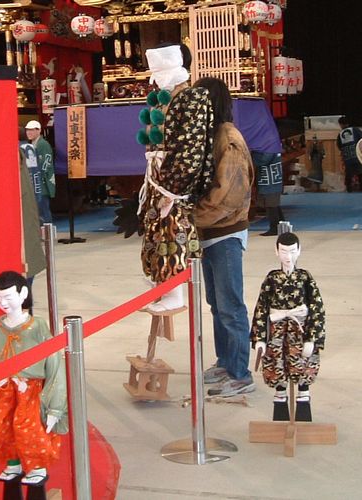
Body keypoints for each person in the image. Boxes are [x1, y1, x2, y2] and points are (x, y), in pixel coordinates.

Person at [116, 43, 215, 312]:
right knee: (155, 229)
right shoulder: (163, 100)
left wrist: (174, 189)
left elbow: (191, 148)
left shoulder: (192, 98)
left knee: (174, 231)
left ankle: (174, 291)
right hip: (157, 176)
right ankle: (160, 282)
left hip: (176, 182)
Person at [192, 77, 255, 397]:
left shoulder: (229, 139)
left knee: (231, 306)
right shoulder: (212, 135)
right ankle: (225, 361)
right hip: (210, 233)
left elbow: (229, 196)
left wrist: (192, 217)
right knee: (217, 305)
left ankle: (240, 373)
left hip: (226, 234)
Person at [0, 271, 67, 485]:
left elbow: (54, 363)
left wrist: (55, 407)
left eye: (8, 297)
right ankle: (13, 464)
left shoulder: (37, 328)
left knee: (29, 427)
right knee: (2, 427)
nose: (3, 303)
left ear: (23, 294)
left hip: (30, 389)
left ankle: (37, 467)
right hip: (3, 388)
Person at [250, 232, 325, 421]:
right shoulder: (272, 278)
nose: (288, 256)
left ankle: (304, 396)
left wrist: (312, 338)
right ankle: (280, 398)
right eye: (283, 251)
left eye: (292, 251)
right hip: (276, 330)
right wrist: (260, 339)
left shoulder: (305, 277)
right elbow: (262, 308)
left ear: (299, 251)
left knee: (303, 361)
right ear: (276, 251)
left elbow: (316, 308)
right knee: (276, 362)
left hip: (300, 329)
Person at [18, 147, 46, 307]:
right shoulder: (20, 154)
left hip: (24, 243)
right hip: (27, 238)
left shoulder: (15, 155)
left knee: (22, 296)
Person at [25, 120, 56, 223]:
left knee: (43, 209)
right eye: (27, 130)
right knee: (39, 210)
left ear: (39, 131)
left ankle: (48, 230)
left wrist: (38, 175)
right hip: (36, 181)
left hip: (41, 182)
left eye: (32, 130)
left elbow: (46, 163)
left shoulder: (43, 144)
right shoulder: (32, 144)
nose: (29, 132)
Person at [251, 151, 284, 236]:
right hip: (272, 179)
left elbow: (263, 160)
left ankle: (274, 228)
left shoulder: (268, 148)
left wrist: (252, 154)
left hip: (270, 180)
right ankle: (282, 226)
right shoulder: (273, 147)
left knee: (271, 205)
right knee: (274, 205)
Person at [336, 116, 362, 192]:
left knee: (349, 175)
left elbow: (339, 146)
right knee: (360, 173)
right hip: (357, 156)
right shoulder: (355, 130)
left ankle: (349, 190)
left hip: (348, 158)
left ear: (341, 124)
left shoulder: (340, 135)